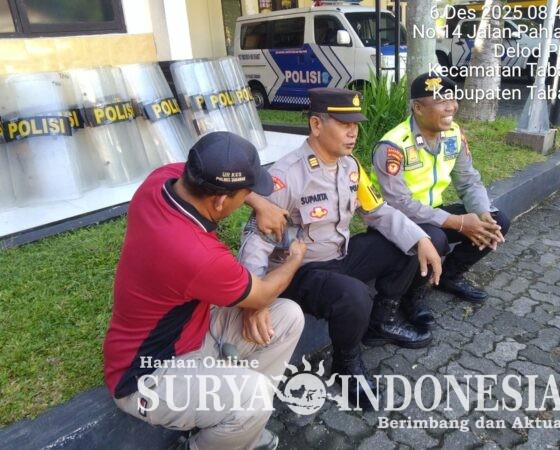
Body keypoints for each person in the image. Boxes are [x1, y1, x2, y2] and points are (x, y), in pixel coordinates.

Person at [103, 131, 307, 450]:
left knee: (288, 317)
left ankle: (239, 424)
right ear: (220, 200)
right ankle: (220, 431)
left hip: (191, 333)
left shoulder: (160, 182)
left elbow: (192, 174)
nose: (250, 197)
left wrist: (260, 203)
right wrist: (295, 258)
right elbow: (264, 293)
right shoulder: (198, 255)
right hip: (147, 376)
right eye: (247, 192)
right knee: (254, 398)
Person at [238, 87, 441, 405]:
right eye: (344, 124)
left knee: (407, 244)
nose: (353, 132)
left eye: (355, 124)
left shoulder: (350, 166)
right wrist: (254, 299)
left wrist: (420, 239)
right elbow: (256, 239)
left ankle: (381, 321)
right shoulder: (286, 175)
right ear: (316, 125)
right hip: (302, 269)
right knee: (354, 295)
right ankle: (346, 364)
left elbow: (377, 211)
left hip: (339, 256)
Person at [372, 73, 510, 306]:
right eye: (441, 101)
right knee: (435, 237)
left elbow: (468, 180)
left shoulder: (453, 134)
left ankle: (449, 276)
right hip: (397, 221)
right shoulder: (393, 145)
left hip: (433, 214)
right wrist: (456, 222)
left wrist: (482, 213)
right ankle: (410, 297)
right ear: (418, 108)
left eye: (453, 99)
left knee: (497, 221)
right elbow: (398, 204)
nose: (451, 107)